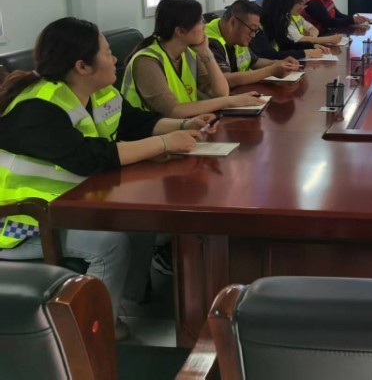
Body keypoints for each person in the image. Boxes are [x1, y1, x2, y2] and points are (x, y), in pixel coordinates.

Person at [0, 17, 216, 335]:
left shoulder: (101, 93)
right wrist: (164, 143)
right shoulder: (38, 108)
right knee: (109, 244)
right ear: (82, 67)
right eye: (107, 53)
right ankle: (95, 334)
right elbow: (89, 158)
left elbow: (136, 123)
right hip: (20, 222)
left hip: (70, 206)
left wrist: (185, 125)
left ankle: (128, 302)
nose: (115, 58)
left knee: (141, 220)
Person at [122, 0, 264, 117]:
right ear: (180, 31)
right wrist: (229, 101)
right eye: (199, 21)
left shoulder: (189, 53)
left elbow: (221, 92)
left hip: (183, 128)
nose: (204, 25)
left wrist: (206, 53)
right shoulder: (147, 62)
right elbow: (173, 110)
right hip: (149, 137)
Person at [204, 0, 300, 88]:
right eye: (252, 29)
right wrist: (271, 71)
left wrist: (280, 63)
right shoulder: (209, 41)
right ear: (233, 22)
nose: (253, 35)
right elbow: (225, 79)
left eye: (255, 30)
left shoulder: (236, 37)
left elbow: (254, 61)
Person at [252, 0, 327, 61]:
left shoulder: (277, 21)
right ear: (278, 7)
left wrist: (312, 46)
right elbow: (271, 55)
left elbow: (286, 44)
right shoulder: (257, 27)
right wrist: (305, 53)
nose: (287, 14)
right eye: (286, 8)